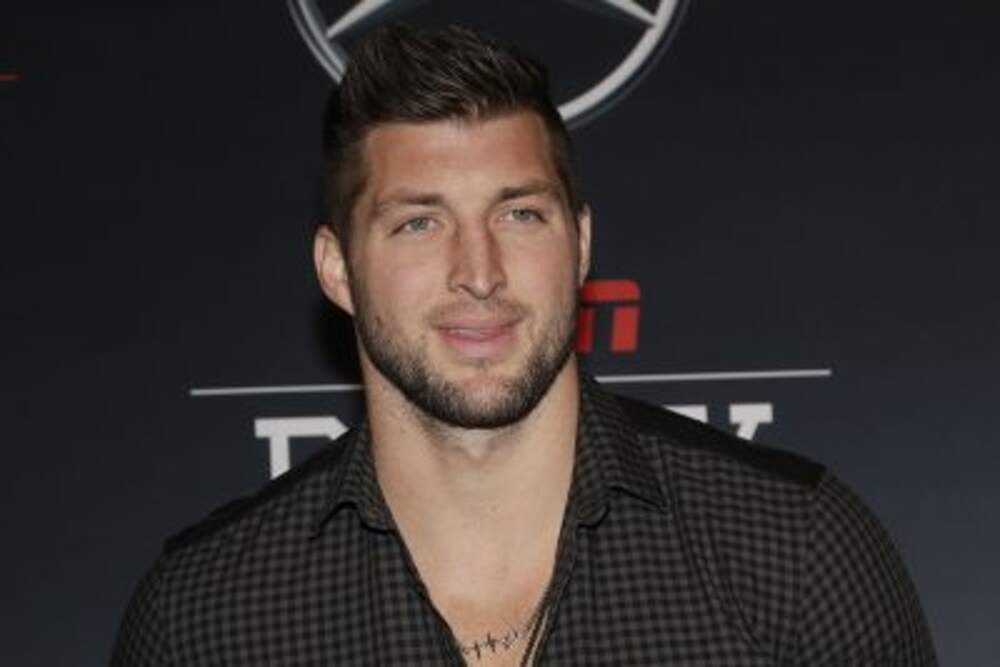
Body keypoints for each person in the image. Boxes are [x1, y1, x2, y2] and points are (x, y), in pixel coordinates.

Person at [112, 24, 937, 666]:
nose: (479, 272)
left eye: (519, 214)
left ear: (580, 244)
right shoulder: (206, 616)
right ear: (337, 268)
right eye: (419, 222)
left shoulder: (796, 552)